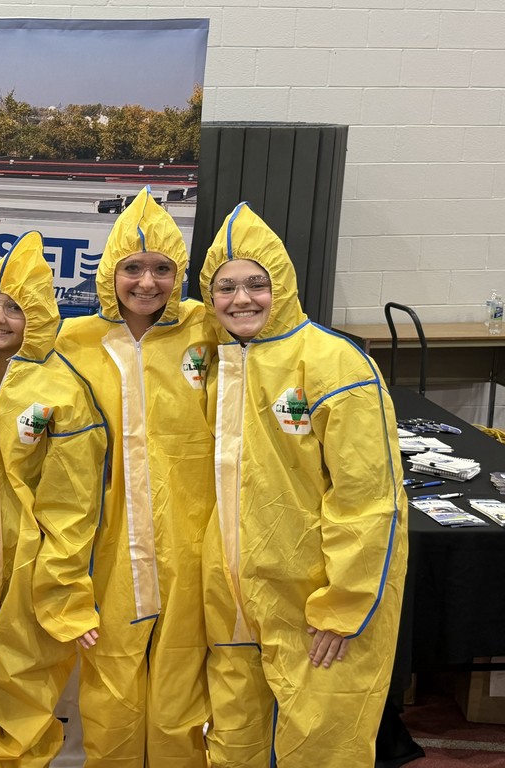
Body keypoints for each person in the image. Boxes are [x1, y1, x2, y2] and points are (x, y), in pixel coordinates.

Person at [198, 201, 407, 767]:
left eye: (257, 284)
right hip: (236, 597)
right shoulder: (223, 360)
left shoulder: (335, 364)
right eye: (225, 287)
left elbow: (370, 500)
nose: (241, 299)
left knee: (320, 740)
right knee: (235, 734)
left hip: (313, 600)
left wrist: (343, 605)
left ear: (282, 285)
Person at [0, 230, 106, 767]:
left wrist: (62, 584)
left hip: (29, 564)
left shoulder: (62, 389)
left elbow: (73, 502)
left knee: (26, 686)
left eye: (15, 307)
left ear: (40, 316)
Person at [55, 187, 214, 766]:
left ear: (181, 273)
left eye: (162, 269)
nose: (147, 282)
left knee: (185, 693)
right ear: (111, 272)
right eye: (133, 268)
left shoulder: (207, 332)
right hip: (108, 550)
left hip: (191, 545)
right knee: (111, 696)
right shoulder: (72, 343)